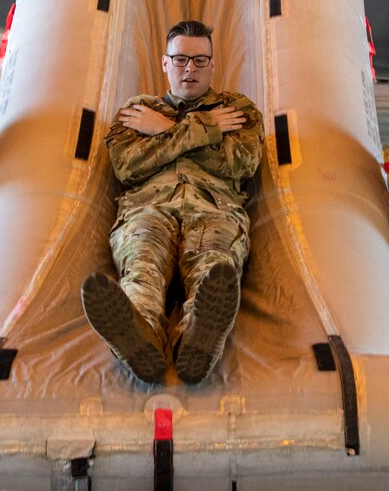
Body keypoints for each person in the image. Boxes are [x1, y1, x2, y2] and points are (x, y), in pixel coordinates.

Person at [81, 21, 264, 385]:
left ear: (213, 64)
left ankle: (197, 339)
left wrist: (166, 131)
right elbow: (128, 165)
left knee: (214, 266)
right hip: (148, 210)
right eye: (181, 60)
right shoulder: (138, 109)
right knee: (142, 266)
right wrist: (208, 130)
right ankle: (139, 333)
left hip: (215, 210)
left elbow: (240, 161)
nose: (190, 69)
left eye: (199, 60)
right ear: (165, 63)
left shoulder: (236, 109)